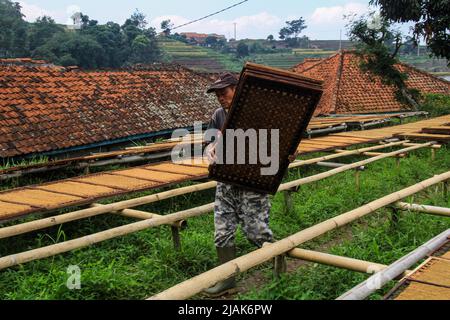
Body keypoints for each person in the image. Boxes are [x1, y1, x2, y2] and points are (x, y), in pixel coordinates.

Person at [203, 72, 296, 297]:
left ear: (238, 89)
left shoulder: (259, 112)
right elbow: (207, 143)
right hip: (226, 183)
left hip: (253, 182)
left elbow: (286, 138)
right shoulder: (218, 115)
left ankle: (280, 266)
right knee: (222, 231)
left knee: (256, 232)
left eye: (223, 92)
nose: (220, 98)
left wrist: (289, 153)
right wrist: (211, 150)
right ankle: (227, 280)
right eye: (217, 94)